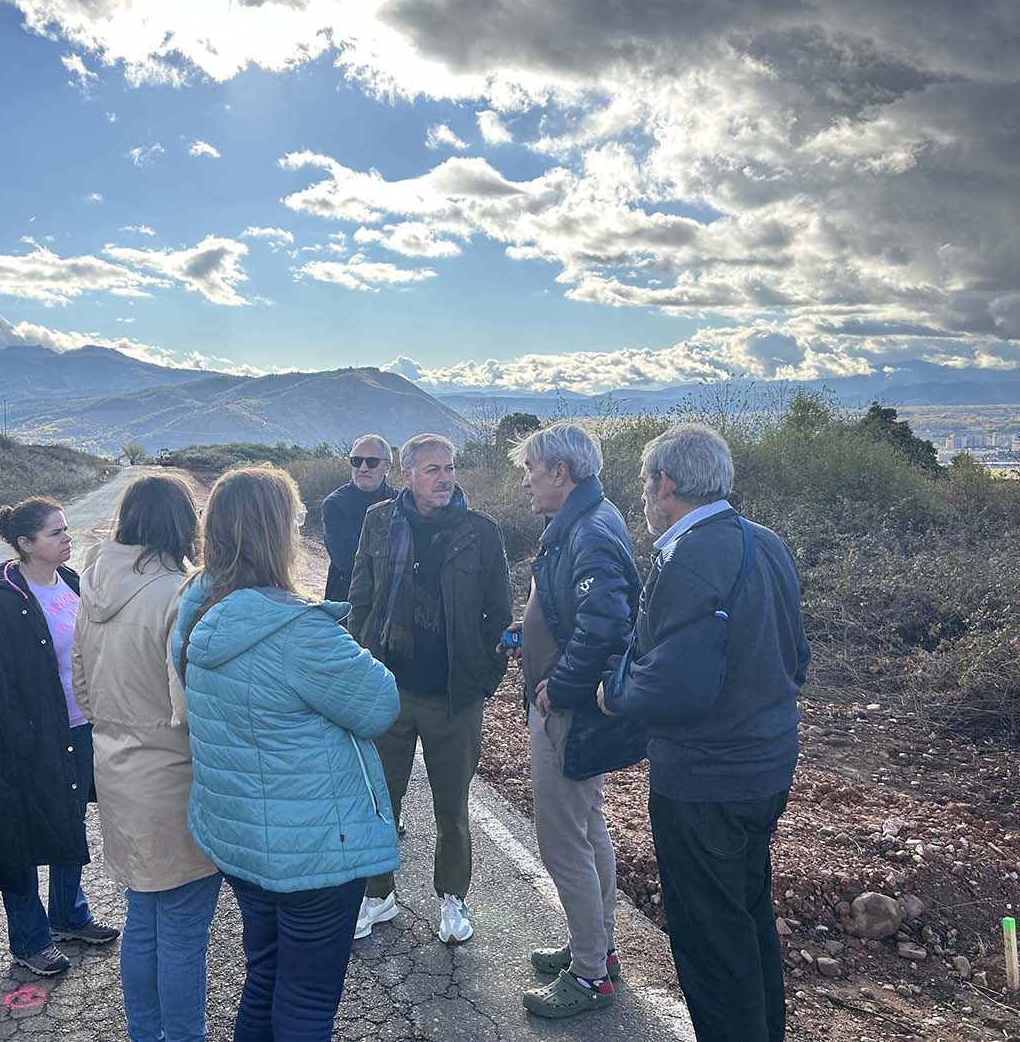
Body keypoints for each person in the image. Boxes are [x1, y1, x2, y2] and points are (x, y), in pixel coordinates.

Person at [171, 466, 400, 1041]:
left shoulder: (195, 606)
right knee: (307, 1001)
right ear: (277, 532)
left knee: (265, 977)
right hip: (315, 847)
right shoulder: (300, 630)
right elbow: (378, 707)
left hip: (241, 836)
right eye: (296, 519)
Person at [598, 424, 809, 1041]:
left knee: (710, 945)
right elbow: (796, 655)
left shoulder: (687, 557)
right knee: (745, 919)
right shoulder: (764, 542)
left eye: (644, 484)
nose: (642, 497)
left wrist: (615, 693)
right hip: (767, 769)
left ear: (664, 485)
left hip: (704, 782)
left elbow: (675, 686)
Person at [71, 475, 222, 1042]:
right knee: (183, 928)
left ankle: (145, 1033)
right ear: (183, 524)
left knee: (144, 918)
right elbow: (192, 706)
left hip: (115, 770)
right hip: (172, 775)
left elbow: (81, 688)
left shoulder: (93, 585)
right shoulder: (180, 593)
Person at [347, 433, 512, 944]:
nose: (445, 478)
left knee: (452, 807)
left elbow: (499, 616)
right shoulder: (378, 523)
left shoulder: (480, 532)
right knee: (380, 799)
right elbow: (361, 597)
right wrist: (359, 667)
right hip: (388, 691)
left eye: (450, 468)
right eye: (434, 469)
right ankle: (379, 894)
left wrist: (484, 679)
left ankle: (453, 898)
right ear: (407, 476)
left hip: (453, 695)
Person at [501, 423, 642, 1019]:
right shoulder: (586, 521)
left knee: (563, 842)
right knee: (587, 829)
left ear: (561, 471)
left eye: (532, 469)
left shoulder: (590, 530)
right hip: (573, 709)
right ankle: (598, 948)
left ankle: (589, 977)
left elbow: (605, 625)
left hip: (569, 713)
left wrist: (558, 688)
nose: (526, 480)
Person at [0, 498, 116, 977]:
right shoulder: (5, 602)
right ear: (26, 544)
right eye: (56, 533)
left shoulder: (70, 581)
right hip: (35, 738)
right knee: (25, 836)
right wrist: (22, 741)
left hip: (80, 727)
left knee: (69, 824)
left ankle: (68, 916)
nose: (67, 537)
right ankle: (30, 939)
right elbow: (3, 684)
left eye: (65, 530)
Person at [320, 434, 396, 602]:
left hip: (391, 602)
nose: (363, 468)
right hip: (347, 602)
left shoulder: (400, 503)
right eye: (356, 461)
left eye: (371, 462)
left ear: (387, 467)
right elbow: (347, 563)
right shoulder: (335, 504)